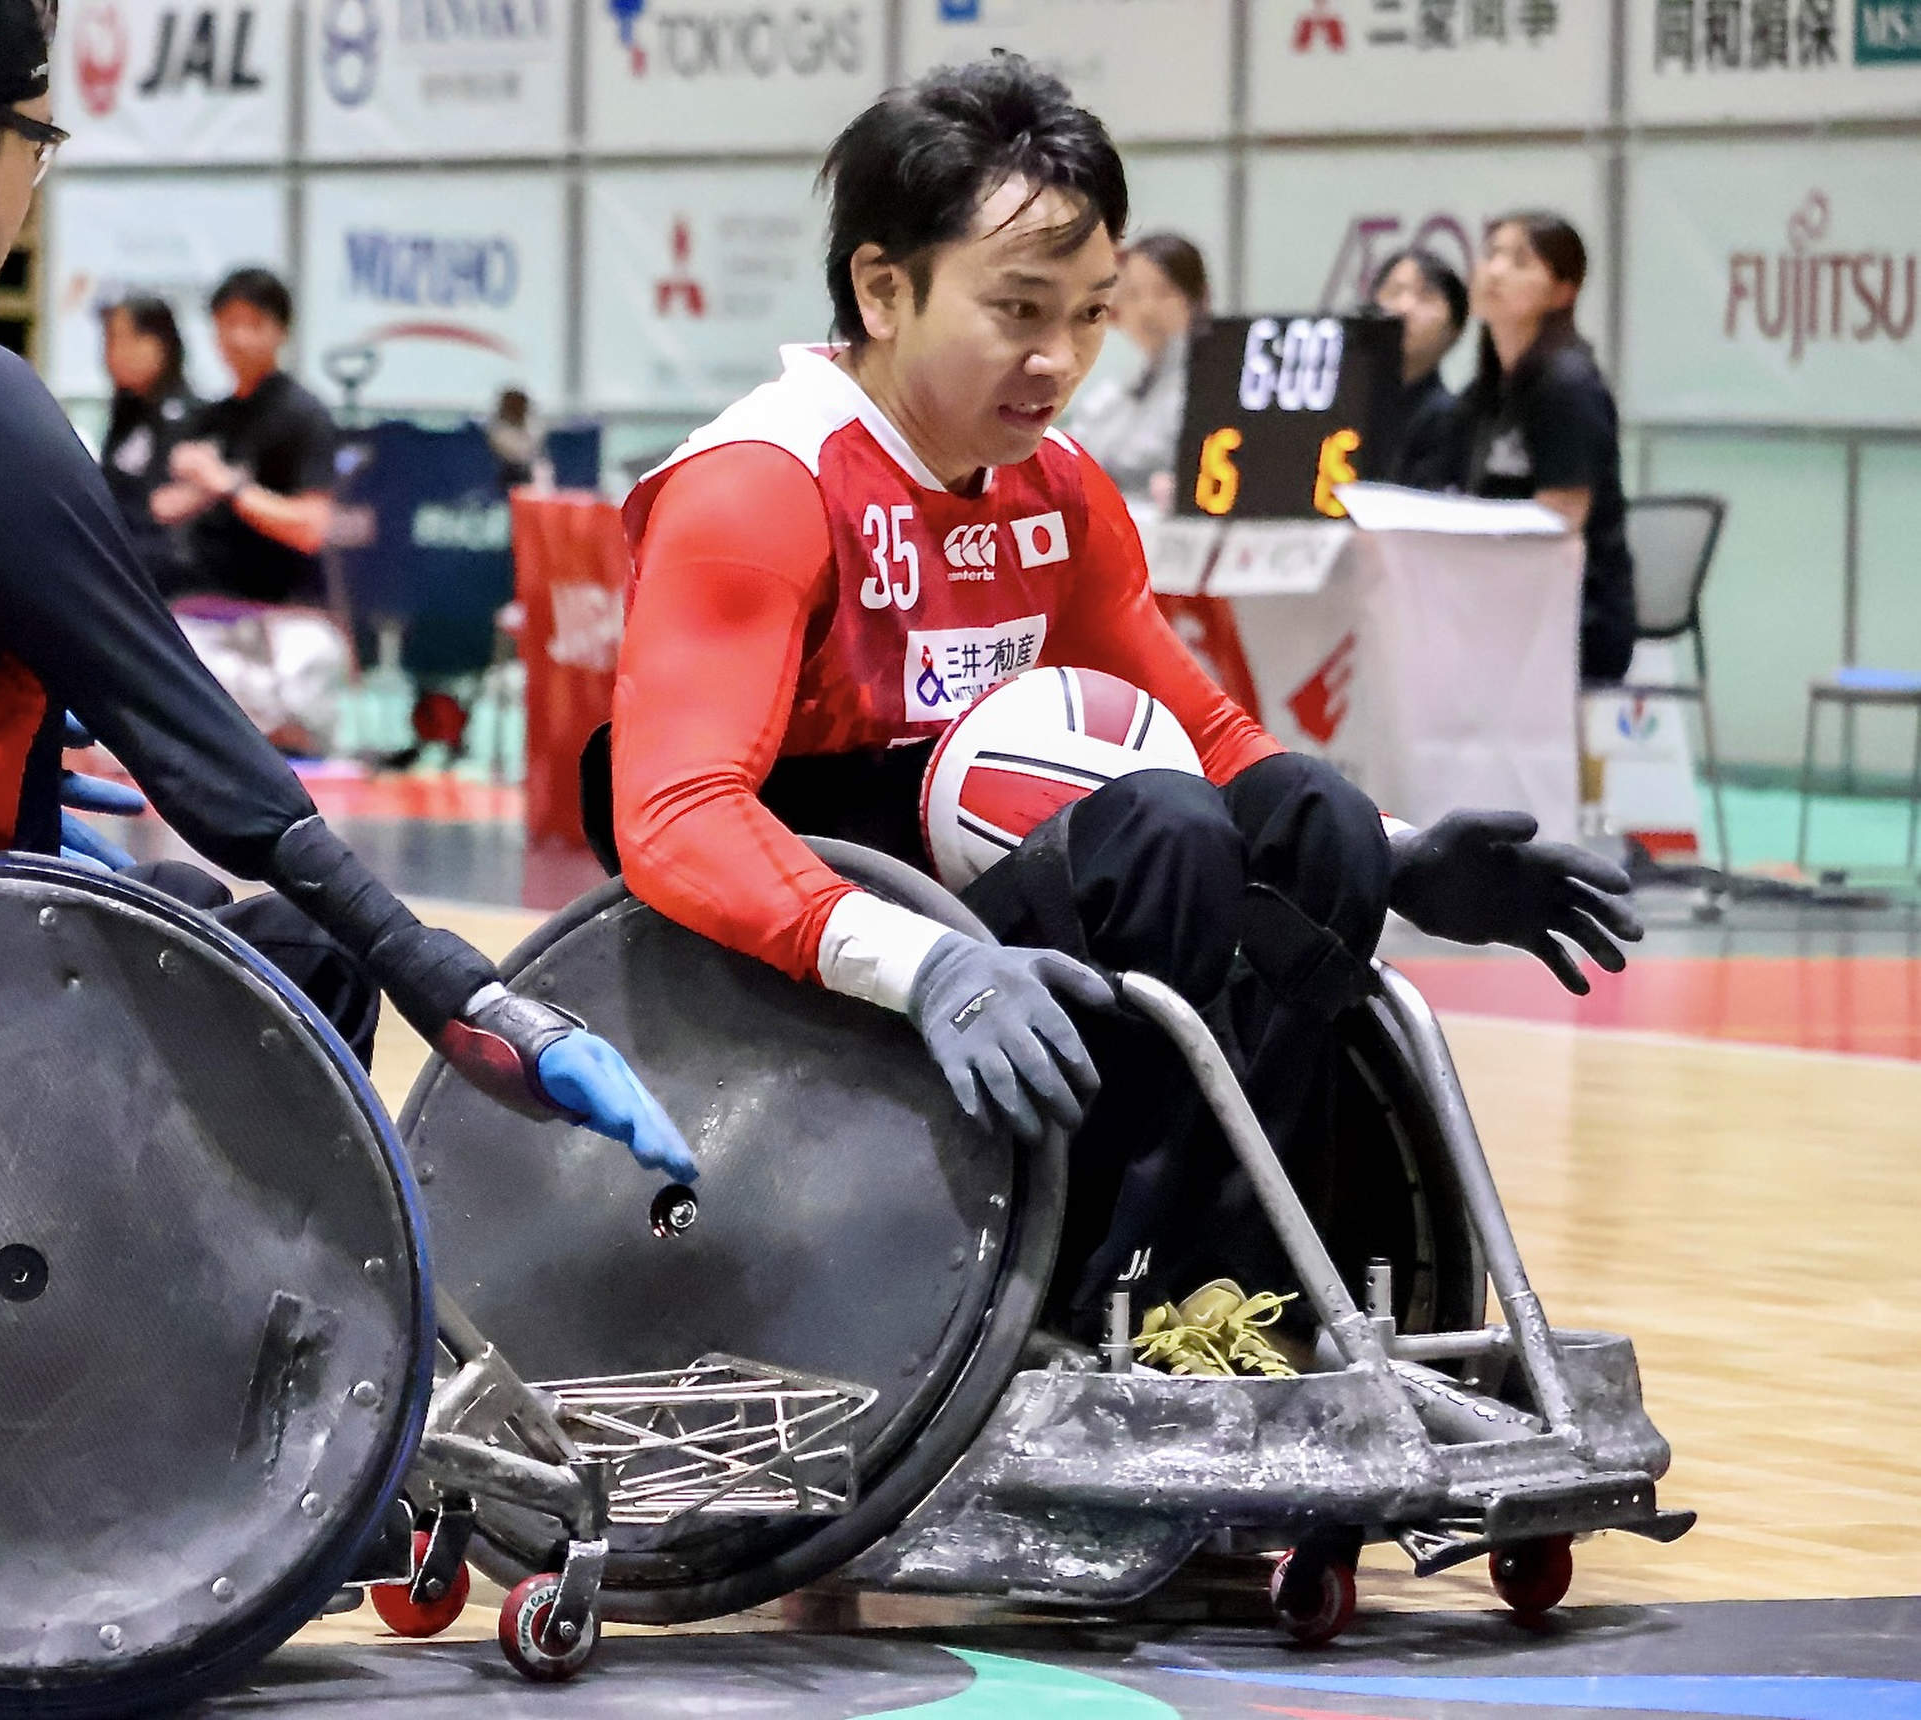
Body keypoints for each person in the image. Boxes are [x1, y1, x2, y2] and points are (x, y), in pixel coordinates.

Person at [0, 0, 693, 1184]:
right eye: (36, 144)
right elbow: (221, 781)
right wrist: (460, 983)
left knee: (166, 892)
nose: (30, 188)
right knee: (300, 952)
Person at [607, 57, 1635, 1355]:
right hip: (813, 969)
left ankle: (1241, 1287)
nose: (1061, 359)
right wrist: (930, 967)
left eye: (1093, 314)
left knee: (1304, 812)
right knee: (1162, 831)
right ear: (883, 287)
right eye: (1020, 309)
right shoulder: (763, 484)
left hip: (993, 937)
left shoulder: (1056, 490)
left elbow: (1219, 739)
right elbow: (676, 817)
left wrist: (1400, 854)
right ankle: (1120, 1302)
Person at [1457, 211, 1634, 686]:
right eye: (1491, 254)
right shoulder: (1487, 391)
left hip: (1575, 617)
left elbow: (1561, 525)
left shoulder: (1567, 386)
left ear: (1563, 291)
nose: (1494, 271)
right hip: (1501, 604)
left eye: (1519, 261)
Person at [155, 268, 338, 606]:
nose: (238, 338)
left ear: (281, 331)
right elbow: (163, 506)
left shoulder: (304, 415)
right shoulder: (209, 417)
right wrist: (200, 486)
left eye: (253, 324)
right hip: (198, 593)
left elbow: (312, 528)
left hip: (277, 605)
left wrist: (227, 484)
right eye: (227, 323)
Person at [1062, 230, 1205, 507]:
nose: (1147, 309)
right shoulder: (1118, 393)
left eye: (1163, 292)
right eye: (1134, 294)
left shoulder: (1207, 386)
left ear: (1197, 299)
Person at [96, 295, 201, 589]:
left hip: (160, 567)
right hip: (116, 549)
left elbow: (163, 511)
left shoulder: (185, 416)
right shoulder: (127, 409)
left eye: (121, 339)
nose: (112, 353)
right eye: (108, 341)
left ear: (159, 344)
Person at [1367, 246, 1467, 492]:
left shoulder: (1450, 418)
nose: (1405, 307)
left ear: (1455, 329)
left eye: (1426, 296)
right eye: (1394, 292)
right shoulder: (1351, 404)